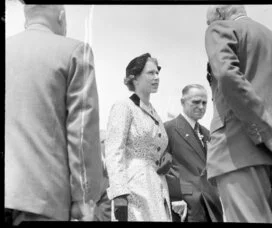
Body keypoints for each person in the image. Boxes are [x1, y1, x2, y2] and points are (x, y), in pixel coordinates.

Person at [5, 5, 102, 224]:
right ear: (61, 16)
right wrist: (84, 198)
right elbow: (82, 133)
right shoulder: (75, 52)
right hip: (42, 199)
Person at [205, 5, 272, 224]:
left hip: (236, 151)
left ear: (219, 14)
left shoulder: (220, 29)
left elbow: (227, 75)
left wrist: (265, 128)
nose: (209, 27)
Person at [105, 53, 172, 221]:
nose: (157, 77)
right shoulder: (124, 106)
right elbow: (114, 150)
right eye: (151, 73)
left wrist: (165, 156)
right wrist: (119, 193)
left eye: (158, 73)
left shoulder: (155, 113)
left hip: (156, 188)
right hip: (133, 188)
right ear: (134, 78)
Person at [164, 84, 223, 222]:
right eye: (196, 102)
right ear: (182, 102)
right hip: (185, 205)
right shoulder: (169, 128)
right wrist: (176, 197)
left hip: (211, 203)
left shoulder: (207, 133)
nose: (201, 107)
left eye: (204, 102)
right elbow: (163, 167)